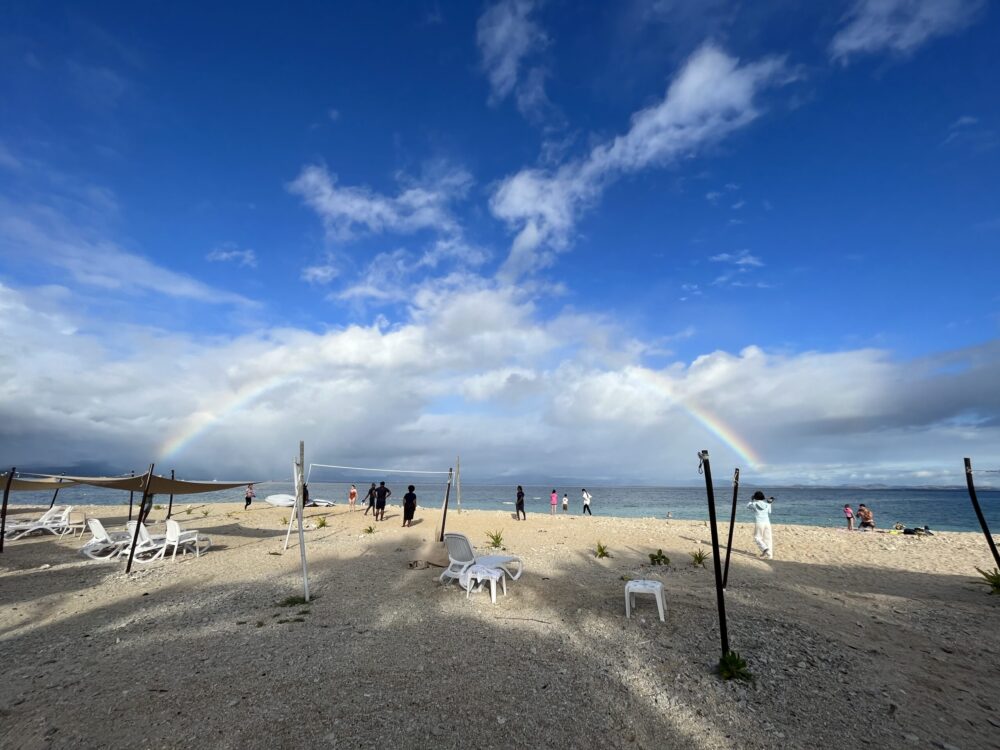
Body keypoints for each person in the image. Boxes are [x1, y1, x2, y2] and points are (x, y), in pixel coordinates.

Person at [747, 490, 774, 559]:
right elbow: (770, 512)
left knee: (757, 538)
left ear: (755, 497)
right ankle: (769, 555)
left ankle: (765, 549)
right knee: (768, 538)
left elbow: (748, 506)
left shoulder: (754, 504)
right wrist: (770, 503)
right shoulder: (767, 504)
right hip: (767, 523)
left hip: (759, 522)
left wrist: (752, 500)